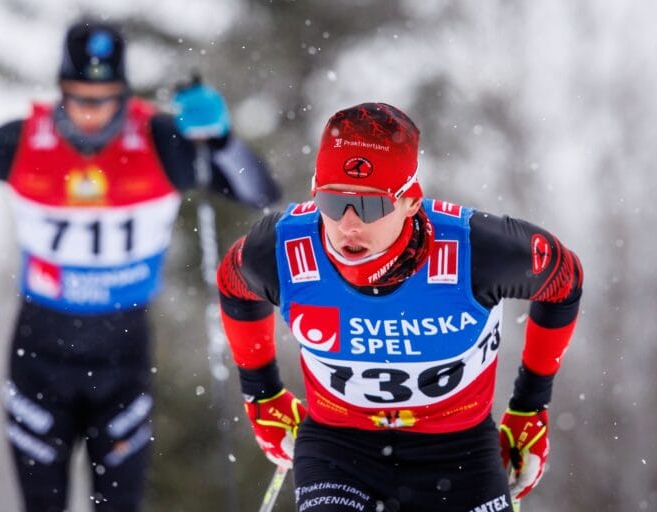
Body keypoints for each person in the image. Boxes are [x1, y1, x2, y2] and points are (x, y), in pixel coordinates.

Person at [0, 19, 279, 512]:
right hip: (40, 354)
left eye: (104, 99)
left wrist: (221, 138)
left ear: (123, 94)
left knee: (121, 504)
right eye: (78, 97)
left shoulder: (161, 139)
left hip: (123, 356)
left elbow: (259, 192)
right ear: (61, 90)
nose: (90, 112)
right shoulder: (22, 138)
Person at [217, 102, 583, 511]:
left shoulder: (475, 250)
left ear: (411, 201)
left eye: (371, 205)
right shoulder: (283, 250)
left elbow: (563, 280)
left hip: (459, 453)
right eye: (333, 202)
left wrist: (530, 407)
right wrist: (263, 396)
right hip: (339, 448)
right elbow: (234, 284)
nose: (349, 225)